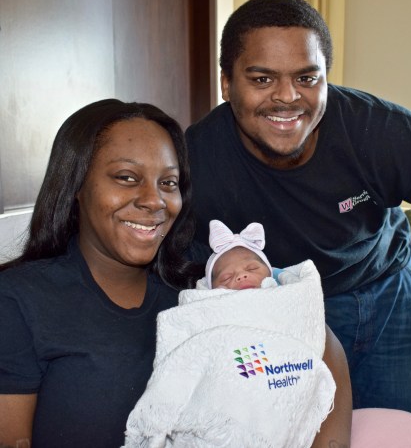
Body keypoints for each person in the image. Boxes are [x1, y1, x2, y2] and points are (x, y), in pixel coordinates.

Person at [0, 100, 351, 448]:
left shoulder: (203, 278)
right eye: (126, 178)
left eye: (168, 183)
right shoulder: (19, 301)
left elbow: (315, 332)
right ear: (76, 185)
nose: (154, 201)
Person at [185, 0, 411, 418]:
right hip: (281, 311)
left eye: (307, 78)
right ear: (227, 83)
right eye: (262, 79)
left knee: (395, 431)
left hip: (388, 294)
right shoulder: (195, 161)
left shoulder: (379, 130)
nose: (287, 97)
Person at [124, 220, 344, 447]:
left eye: (251, 269)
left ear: (271, 273)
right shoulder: (208, 311)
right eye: (226, 278)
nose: (240, 276)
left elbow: (308, 327)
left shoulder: (287, 300)